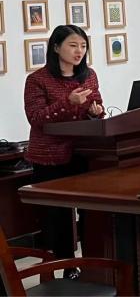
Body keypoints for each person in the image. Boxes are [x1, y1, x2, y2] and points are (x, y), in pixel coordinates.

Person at [24, 25, 105, 279]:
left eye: (83, 46)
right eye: (73, 45)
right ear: (57, 47)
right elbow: (36, 118)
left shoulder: (88, 75)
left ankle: (94, 266)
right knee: (59, 217)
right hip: (51, 158)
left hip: (83, 153)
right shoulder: (37, 80)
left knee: (90, 212)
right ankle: (66, 268)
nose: (79, 51)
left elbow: (97, 105)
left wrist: (96, 111)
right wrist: (67, 103)